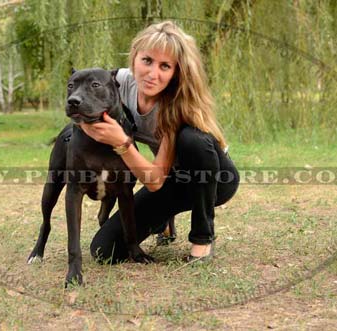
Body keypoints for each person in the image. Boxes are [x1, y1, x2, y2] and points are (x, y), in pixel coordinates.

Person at [80, 21, 239, 263]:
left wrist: (122, 143)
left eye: (165, 66)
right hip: (168, 176)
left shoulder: (179, 104)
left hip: (212, 178)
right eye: (147, 61)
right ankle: (164, 221)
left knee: (193, 140)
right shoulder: (118, 83)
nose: (153, 74)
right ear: (134, 57)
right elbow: (81, 105)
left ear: (176, 71)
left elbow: (153, 182)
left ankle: (202, 239)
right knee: (105, 251)